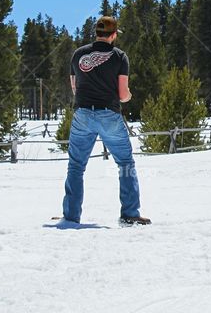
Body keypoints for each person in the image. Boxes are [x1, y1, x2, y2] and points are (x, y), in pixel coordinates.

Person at [61, 15, 150, 226]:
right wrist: (129, 97)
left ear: (96, 33)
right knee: (125, 163)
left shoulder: (78, 54)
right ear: (113, 35)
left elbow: (75, 87)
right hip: (108, 114)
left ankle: (71, 216)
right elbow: (122, 94)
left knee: (76, 166)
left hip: (82, 113)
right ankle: (130, 213)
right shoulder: (119, 57)